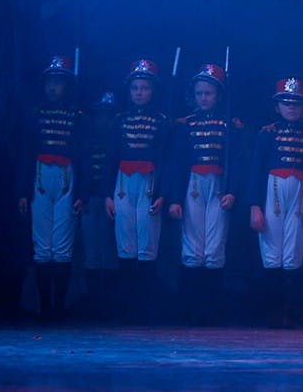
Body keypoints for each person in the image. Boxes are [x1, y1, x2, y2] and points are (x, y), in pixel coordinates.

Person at [167, 63, 246, 324]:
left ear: (218, 95)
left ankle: (211, 309)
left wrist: (232, 191)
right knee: (192, 243)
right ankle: (191, 307)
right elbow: (177, 164)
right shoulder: (186, 125)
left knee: (214, 244)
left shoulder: (229, 126)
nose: (204, 98)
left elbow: (235, 161)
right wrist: (175, 199)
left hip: (218, 185)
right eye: (200, 93)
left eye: (209, 94)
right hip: (193, 185)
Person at [104, 59, 171, 322]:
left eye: (144, 88)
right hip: (123, 183)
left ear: (153, 91)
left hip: (149, 183)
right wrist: (108, 194)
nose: (139, 93)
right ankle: (127, 307)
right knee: (125, 242)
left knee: (147, 242)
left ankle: (145, 308)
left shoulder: (161, 121)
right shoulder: (119, 121)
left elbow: (167, 160)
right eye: (135, 88)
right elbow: (110, 158)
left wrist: (163, 191)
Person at [248, 76, 303, 327]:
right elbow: (256, 171)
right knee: (271, 251)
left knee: (294, 251)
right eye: (286, 103)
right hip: (272, 193)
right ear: (277, 106)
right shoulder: (267, 134)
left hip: (300, 194)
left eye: (297, 103)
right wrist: (254, 206)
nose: (291, 107)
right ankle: (273, 313)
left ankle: (292, 314)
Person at [18, 56, 83, 321]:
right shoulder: (36, 115)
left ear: (66, 86)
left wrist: (81, 193)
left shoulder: (77, 117)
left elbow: (83, 156)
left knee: (62, 244)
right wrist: (22, 192)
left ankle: (59, 306)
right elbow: (25, 155)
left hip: (67, 177)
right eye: (49, 83)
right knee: (42, 245)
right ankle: (45, 307)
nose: (52, 88)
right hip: (41, 177)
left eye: (57, 83)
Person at [78, 90, 120, 320]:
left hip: (112, 199)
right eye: (101, 115)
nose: (105, 120)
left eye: (109, 115)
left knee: (110, 251)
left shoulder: (120, 142)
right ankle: (93, 302)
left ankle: (110, 304)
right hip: (90, 198)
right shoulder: (88, 142)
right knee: (92, 251)